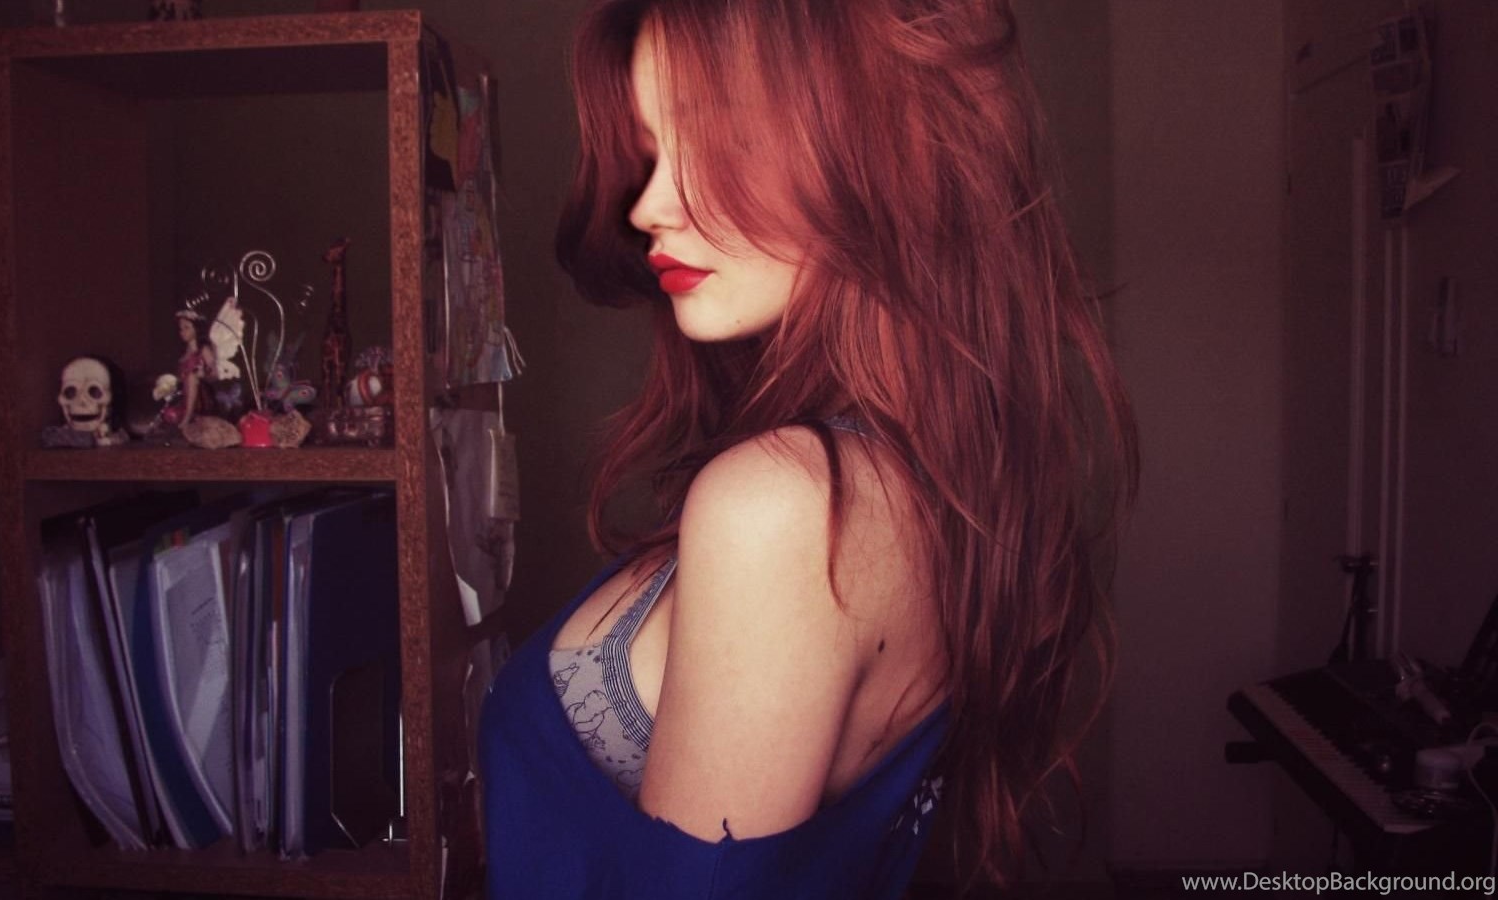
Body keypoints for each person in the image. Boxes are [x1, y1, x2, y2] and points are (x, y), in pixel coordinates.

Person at [478, 0, 1137, 897]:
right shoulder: (932, 481)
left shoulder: (784, 508)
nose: (649, 205)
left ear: (884, 147)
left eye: (720, 141)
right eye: (651, 152)